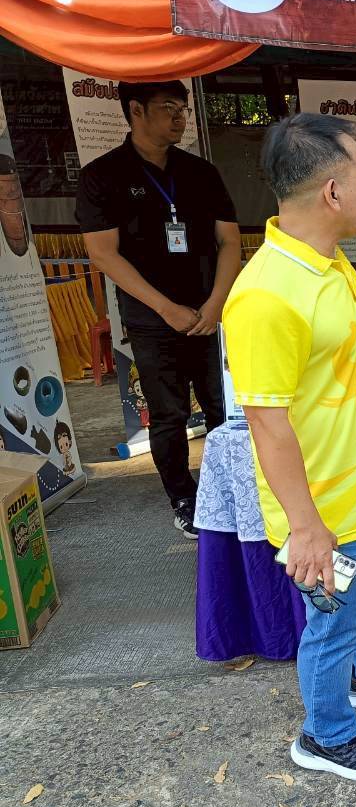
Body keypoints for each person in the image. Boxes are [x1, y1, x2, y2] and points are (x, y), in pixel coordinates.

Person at [223, 114, 356, 781]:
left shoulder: (333, 264)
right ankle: (326, 733)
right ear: (333, 193)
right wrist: (306, 527)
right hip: (326, 509)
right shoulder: (265, 295)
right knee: (334, 621)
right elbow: (267, 423)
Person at [76, 80, 241, 539]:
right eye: (168, 107)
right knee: (168, 414)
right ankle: (183, 498)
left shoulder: (200, 173)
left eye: (183, 108)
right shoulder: (102, 176)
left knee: (224, 405)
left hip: (209, 313)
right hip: (152, 319)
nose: (180, 117)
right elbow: (103, 253)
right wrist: (166, 308)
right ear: (136, 110)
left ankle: (232, 487)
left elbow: (229, 241)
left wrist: (216, 304)